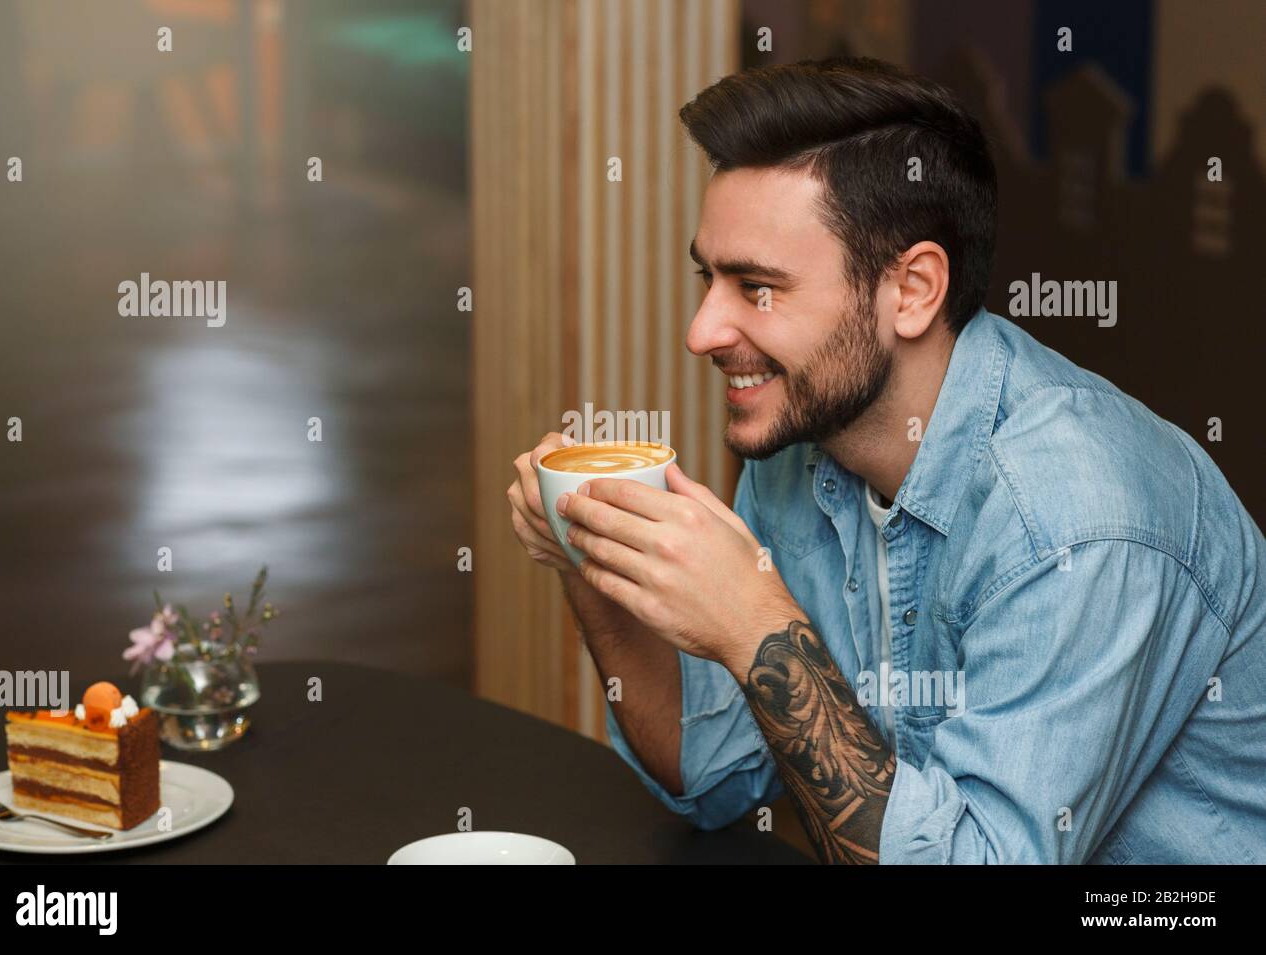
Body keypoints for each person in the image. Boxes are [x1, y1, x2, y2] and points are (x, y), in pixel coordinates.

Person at [506, 57, 1266, 864]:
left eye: (756, 288)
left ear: (912, 290)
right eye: (708, 276)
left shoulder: (1075, 521)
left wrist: (758, 622)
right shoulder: (800, 442)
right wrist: (586, 554)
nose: (703, 331)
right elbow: (714, 776)